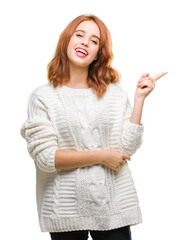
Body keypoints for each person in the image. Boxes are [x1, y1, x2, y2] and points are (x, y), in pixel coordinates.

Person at [20, 14, 167, 240]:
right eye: (79, 35)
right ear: (66, 40)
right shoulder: (43, 97)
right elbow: (45, 158)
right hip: (65, 210)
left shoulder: (115, 95)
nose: (85, 42)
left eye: (94, 40)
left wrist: (139, 99)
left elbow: (127, 148)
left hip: (113, 206)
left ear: (99, 53)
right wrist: (101, 156)